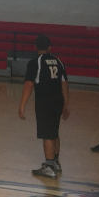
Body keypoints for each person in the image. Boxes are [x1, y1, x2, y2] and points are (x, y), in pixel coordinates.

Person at [18, 35, 70, 179]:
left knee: (47, 133)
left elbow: (29, 84)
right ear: (50, 47)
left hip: (44, 102)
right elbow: (64, 84)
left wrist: (22, 105)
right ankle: (56, 163)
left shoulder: (35, 62)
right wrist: (66, 104)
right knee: (54, 131)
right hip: (58, 101)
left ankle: (49, 166)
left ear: (35, 47)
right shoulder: (59, 62)